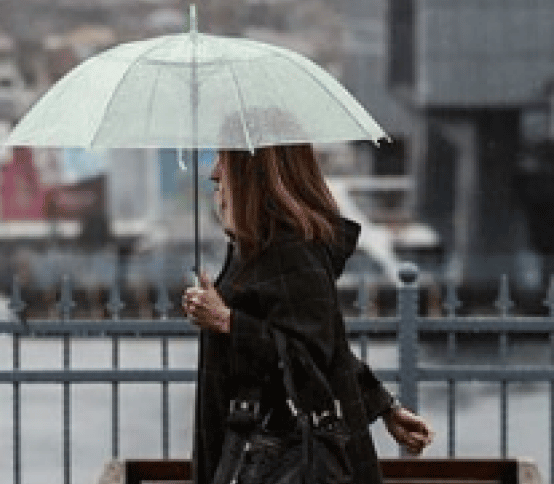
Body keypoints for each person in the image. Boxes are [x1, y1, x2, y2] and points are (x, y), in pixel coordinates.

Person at [182, 144, 434, 484]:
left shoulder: (289, 252)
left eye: (224, 159)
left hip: (278, 460)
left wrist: (227, 322)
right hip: (261, 455)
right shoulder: (260, 250)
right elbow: (325, 348)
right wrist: (384, 407)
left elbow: (307, 360)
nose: (214, 172)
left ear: (255, 171)